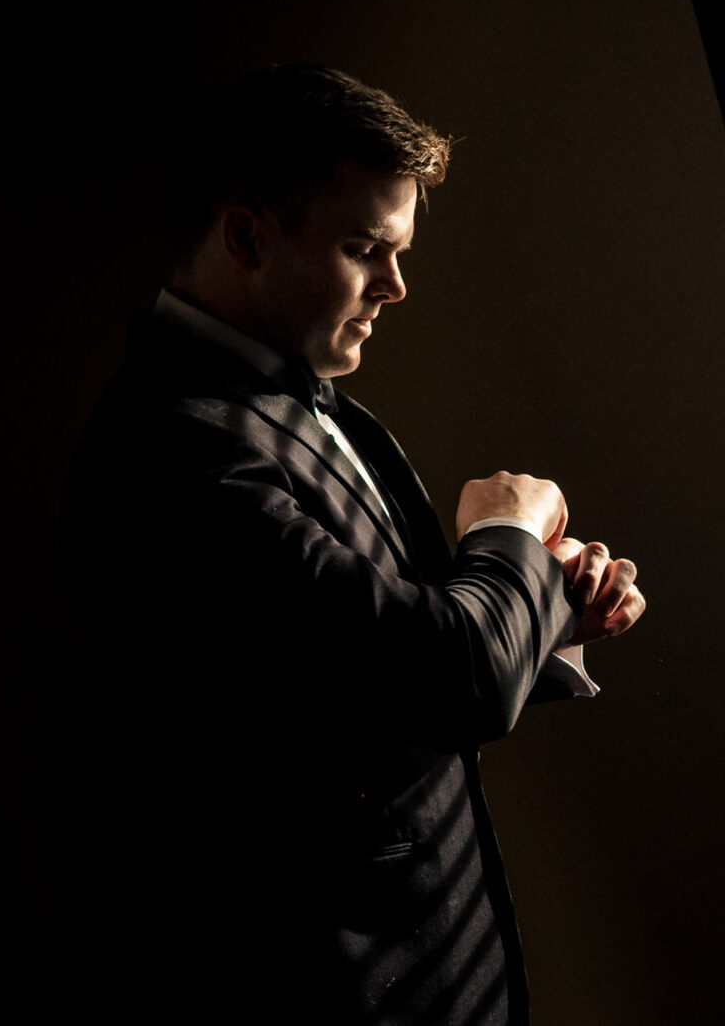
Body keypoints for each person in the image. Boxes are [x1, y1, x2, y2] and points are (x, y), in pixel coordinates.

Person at [55, 64, 645, 1024]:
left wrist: (548, 606)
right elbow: (450, 672)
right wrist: (508, 531)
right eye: (365, 246)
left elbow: (377, 668)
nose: (397, 285)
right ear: (246, 234)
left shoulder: (305, 402)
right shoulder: (170, 454)